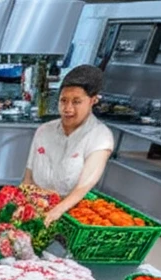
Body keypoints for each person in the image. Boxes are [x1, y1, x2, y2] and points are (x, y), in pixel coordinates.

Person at [22, 64, 114, 225]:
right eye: (63, 100)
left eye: (76, 102)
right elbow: (28, 180)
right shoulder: (44, 131)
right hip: (35, 211)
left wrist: (56, 212)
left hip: (72, 217)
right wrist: (20, 205)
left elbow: (83, 186)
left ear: (93, 101)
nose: (68, 108)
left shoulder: (100, 136)